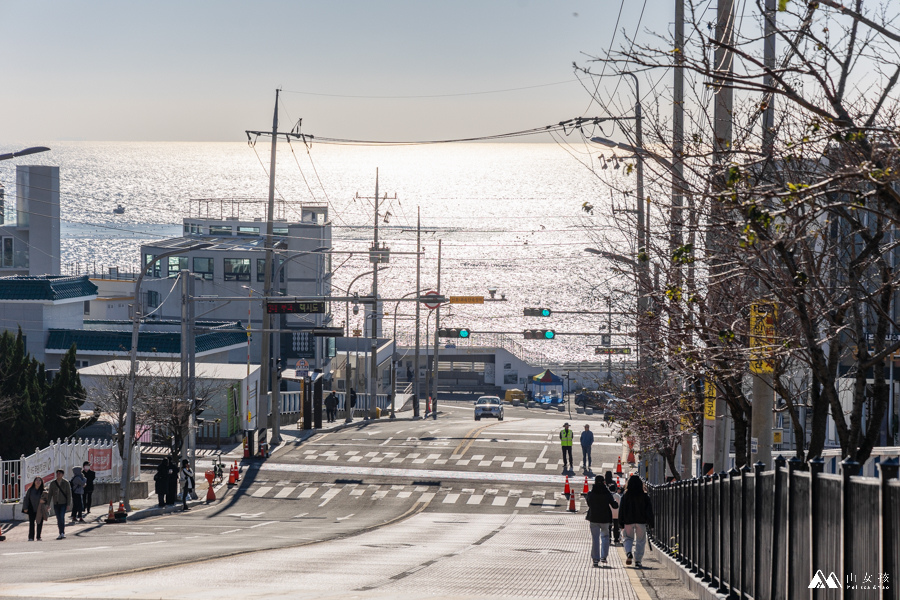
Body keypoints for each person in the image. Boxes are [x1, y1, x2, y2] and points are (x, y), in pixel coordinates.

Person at [618, 474, 655, 568]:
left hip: (628, 520)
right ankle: (638, 560)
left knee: (627, 538)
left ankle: (629, 552)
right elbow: (649, 510)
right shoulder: (644, 496)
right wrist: (651, 523)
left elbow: (621, 509)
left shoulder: (625, 496)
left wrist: (620, 522)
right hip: (641, 521)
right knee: (641, 540)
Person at [585, 475, 619, 567]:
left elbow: (589, 504)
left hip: (594, 518)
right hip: (605, 518)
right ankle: (604, 556)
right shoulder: (607, 493)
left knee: (595, 539)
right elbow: (614, 505)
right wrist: (615, 502)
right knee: (605, 537)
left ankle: (595, 559)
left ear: (595, 482)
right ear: (604, 482)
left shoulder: (591, 493)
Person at [22, 477, 49, 541]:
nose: (38, 482)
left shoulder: (44, 490)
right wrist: (25, 508)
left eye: (40, 480)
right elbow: (26, 499)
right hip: (32, 508)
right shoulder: (30, 490)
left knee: (39, 523)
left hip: (40, 509)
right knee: (31, 523)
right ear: (34, 482)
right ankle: (31, 537)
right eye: (37, 480)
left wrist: (44, 502)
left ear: (42, 482)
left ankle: (38, 536)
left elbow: (48, 499)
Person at [48, 469, 72, 540]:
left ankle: (62, 532)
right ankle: (60, 532)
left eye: (59, 473)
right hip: (56, 503)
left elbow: (69, 494)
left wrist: (68, 504)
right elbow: (50, 494)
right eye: (57, 473)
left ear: (62, 475)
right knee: (58, 518)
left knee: (62, 517)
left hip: (63, 503)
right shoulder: (53, 483)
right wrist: (48, 504)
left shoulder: (66, 483)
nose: (58, 475)